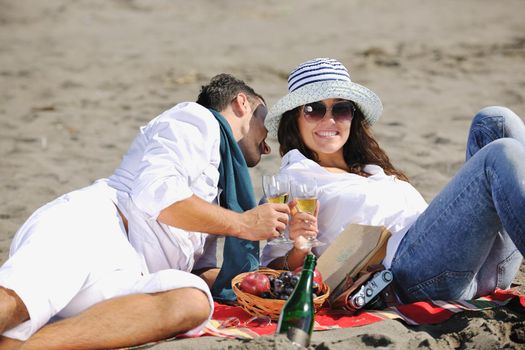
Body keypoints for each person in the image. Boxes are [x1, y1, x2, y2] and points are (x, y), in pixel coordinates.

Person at [0, 73, 290, 349]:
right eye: (266, 120)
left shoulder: (219, 187)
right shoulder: (195, 119)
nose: (267, 145)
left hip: (130, 275)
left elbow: (199, 270)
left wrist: (260, 282)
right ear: (242, 103)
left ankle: (20, 346)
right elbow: (158, 196)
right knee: (18, 300)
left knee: (193, 301)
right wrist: (242, 224)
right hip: (97, 230)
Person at [261, 57, 524, 305]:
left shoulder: (369, 168)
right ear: (295, 119)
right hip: (410, 276)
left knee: (496, 120)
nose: (329, 120)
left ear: (353, 117)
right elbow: (271, 272)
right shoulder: (294, 179)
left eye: (341, 109)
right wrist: (300, 246)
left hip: (479, 269)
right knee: (500, 154)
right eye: (314, 109)